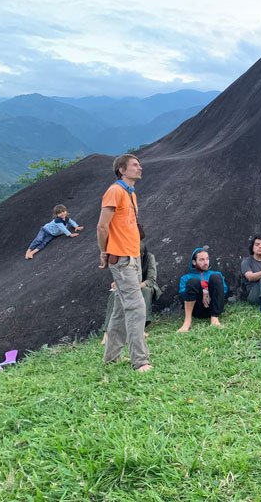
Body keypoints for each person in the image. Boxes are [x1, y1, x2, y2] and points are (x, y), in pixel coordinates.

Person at [96, 153, 152, 372]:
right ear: (122, 169)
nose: (140, 168)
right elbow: (102, 226)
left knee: (121, 309)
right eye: (135, 165)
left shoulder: (131, 193)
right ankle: (141, 361)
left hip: (133, 257)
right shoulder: (115, 191)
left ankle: (111, 358)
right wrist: (104, 252)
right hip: (121, 259)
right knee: (137, 308)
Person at [101, 239, 162, 344]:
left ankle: (141, 329)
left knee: (145, 291)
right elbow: (121, 275)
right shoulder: (125, 258)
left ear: (142, 254)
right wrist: (116, 282)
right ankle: (107, 332)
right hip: (129, 285)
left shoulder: (150, 258)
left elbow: (151, 280)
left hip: (145, 285)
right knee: (115, 294)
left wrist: (137, 286)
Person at [177, 247, 228, 331]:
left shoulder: (215, 274)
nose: (205, 262)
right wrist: (202, 291)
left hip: (214, 307)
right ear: (194, 262)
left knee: (216, 276)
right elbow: (183, 294)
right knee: (193, 281)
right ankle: (187, 322)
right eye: (201, 260)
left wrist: (208, 291)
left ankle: (214, 319)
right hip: (197, 309)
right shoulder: (186, 278)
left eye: (207, 259)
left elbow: (224, 290)